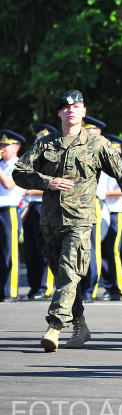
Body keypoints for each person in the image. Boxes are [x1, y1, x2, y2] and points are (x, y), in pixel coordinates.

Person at [13, 90, 122, 352]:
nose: (72, 110)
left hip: (81, 221)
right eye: (66, 107)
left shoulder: (97, 145)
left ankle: (54, 326)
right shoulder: (45, 144)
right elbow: (20, 172)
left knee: (68, 271)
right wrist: (47, 182)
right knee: (62, 274)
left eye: (78, 106)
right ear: (60, 113)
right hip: (50, 222)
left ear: (84, 112)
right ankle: (80, 324)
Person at [96, 135, 122, 301]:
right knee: (103, 251)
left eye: (114, 148)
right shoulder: (104, 166)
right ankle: (109, 287)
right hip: (104, 210)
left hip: (117, 211)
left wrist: (102, 194)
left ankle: (118, 288)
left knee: (112, 250)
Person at [23, 124, 59, 300]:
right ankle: (33, 286)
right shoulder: (32, 161)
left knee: (44, 250)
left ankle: (45, 287)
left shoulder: (54, 162)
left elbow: (53, 186)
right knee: (30, 252)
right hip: (29, 207)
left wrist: (29, 191)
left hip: (44, 206)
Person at [77, 115, 107, 304]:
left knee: (93, 248)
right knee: (78, 248)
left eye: (91, 131)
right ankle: (81, 288)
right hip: (77, 202)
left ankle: (90, 289)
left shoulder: (102, 149)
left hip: (94, 201)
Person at [0, 130, 25, 303]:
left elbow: (8, 184)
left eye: (5, 145)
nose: (1, 148)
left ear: (15, 148)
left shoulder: (19, 165)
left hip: (9, 210)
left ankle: (11, 290)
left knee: (11, 253)